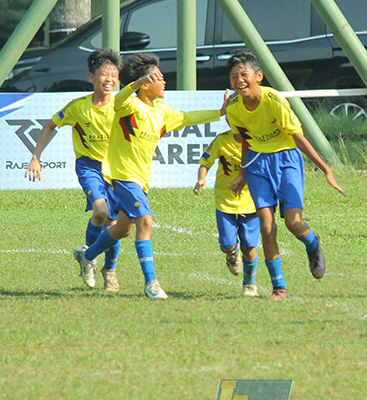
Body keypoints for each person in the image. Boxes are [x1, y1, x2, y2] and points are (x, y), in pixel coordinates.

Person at [77, 53, 228, 300]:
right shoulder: (129, 104)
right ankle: (151, 283)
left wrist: (220, 112)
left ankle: (87, 255)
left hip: (141, 179)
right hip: (122, 177)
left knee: (123, 229)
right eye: (158, 77)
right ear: (145, 84)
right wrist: (136, 84)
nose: (164, 82)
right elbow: (119, 99)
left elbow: (188, 118)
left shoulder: (162, 110)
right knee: (145, 222)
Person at [225, 49, 345, 301]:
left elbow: (299, 138)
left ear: (259, 76)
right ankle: (279, 288)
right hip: (257, 164)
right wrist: (243, 172)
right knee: (266, 228)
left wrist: (326, 169)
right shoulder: (234, 108)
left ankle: (313, 244)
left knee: (293, 222)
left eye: (244, 74)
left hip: (286, 159)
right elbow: (245, 140)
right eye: (234, 77)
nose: (239, 81)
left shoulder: (274, 101)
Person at [26, 49, 125, 292]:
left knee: (114, 223)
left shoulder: (123, 105)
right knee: (101, 213)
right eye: (103, 74)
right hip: (89, 166)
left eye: (113, 74)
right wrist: (36, 157)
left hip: (117, 168)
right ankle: (90, 259)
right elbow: (50, 125)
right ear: (91, 77)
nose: (109, 79)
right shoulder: (78, 107)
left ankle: (108, 269)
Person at [194, 129, 261, 297]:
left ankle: (250, 284)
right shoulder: (222, 140)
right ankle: (232, 254)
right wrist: (201, 178)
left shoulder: (257, 139)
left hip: (251, 201)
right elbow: (205, 162)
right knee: (228, 245)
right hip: (225, 200)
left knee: (249, 245)